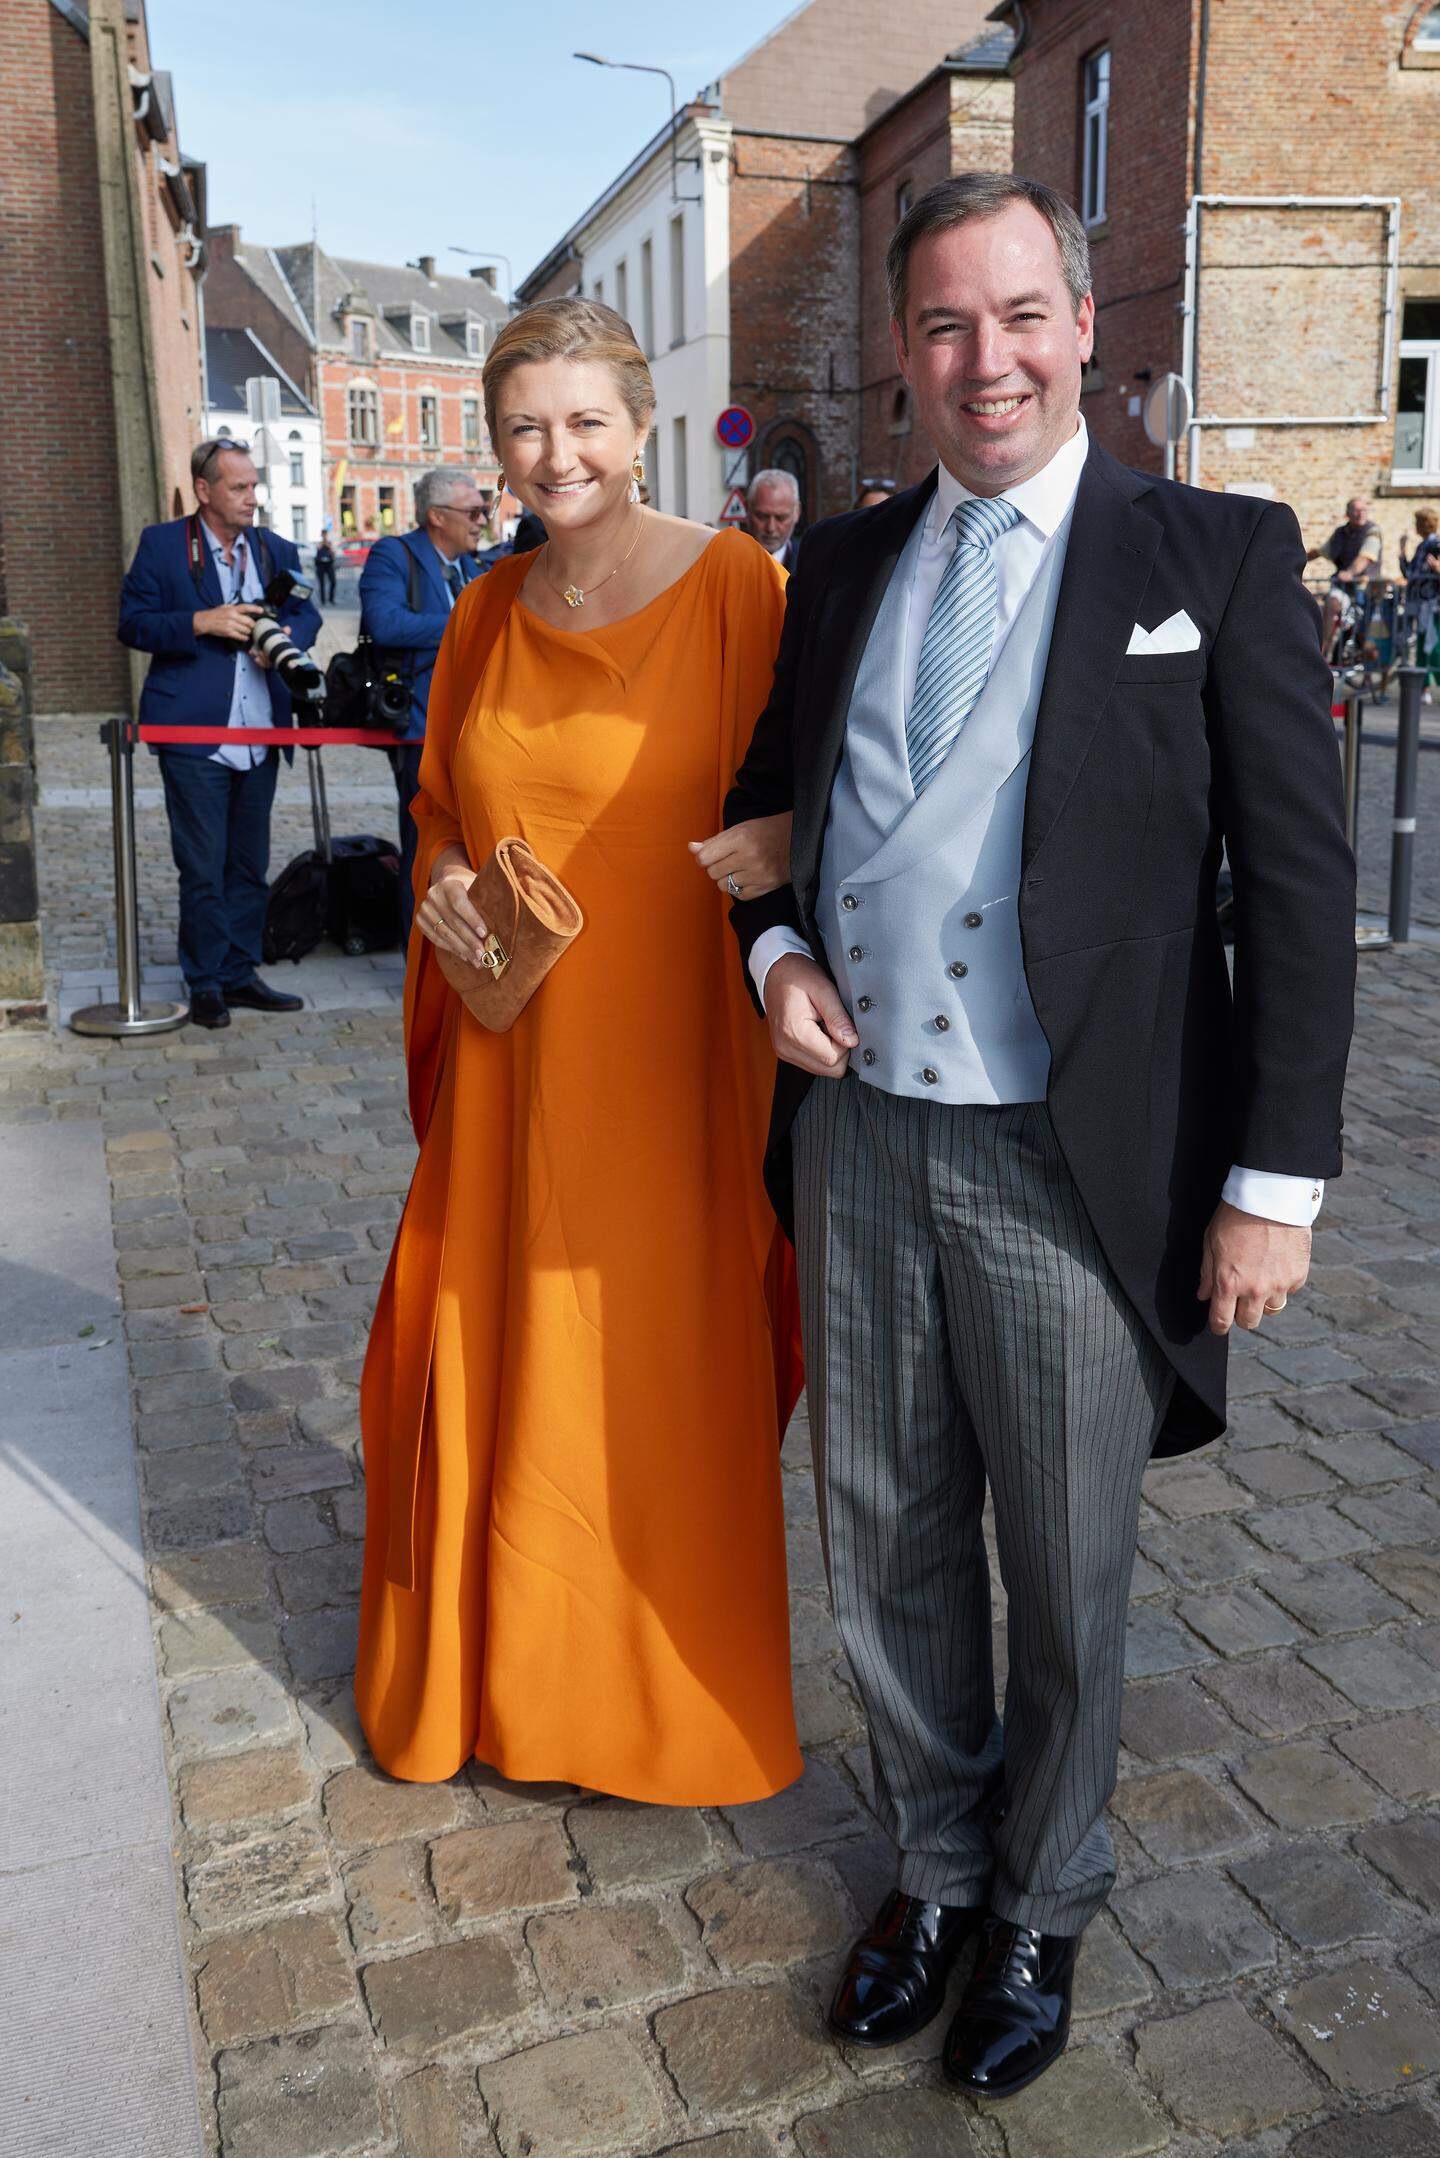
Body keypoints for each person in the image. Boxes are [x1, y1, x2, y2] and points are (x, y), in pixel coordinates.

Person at [720, 174, 1355, 2098]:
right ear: (900, 355)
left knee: (1067, 1566)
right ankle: (929, 1864)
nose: (981, 358)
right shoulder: (838, 565)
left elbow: (1306, 893)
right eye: (941, 324)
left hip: (1075, 1159)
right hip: (866, 1136)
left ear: (1083, 324)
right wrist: (768, 957)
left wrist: (1271, 1184)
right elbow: (763, 808)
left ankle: (1046, 1895)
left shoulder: (1220, 557)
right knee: (885, 1535)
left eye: (1017, 315)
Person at [354, 298, 805, 1806]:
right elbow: (437, 805)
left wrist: (784, 831)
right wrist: (433, 878)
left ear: (642, 426)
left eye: (587, 423)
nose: (559, 455)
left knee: (658, 1361)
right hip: (511, 1054)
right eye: (527, 430)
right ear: (496, 450)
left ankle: (664, 1702)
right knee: (500, 1341)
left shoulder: (738, 584)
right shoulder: (481, 611)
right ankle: (508, 1680)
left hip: (675, 1058)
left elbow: (826, 775)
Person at [118, 439, 321, 1029]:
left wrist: (283, 640)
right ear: (204, 491)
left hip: (262, 732)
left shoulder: (274, 546)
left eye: (255, 486)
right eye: (239, 488)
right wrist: (199, 622)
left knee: (247, 863)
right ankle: (203, 979)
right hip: (192, 731)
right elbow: (132, 623)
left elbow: (306, 611)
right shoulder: (162, 545)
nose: (252, 498)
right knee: (202, 865)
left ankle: (239, 971)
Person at [358, 468, 485, 942]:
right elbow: (386, 622)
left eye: (482, 511)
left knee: (469, 844)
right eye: (472, 512)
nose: (481, 522)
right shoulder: (395, 554)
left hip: (474, 728)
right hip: (420, 726)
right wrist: (468, 620)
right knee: (426, 845)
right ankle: (420, 952)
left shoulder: (470, 567)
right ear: (437, 516)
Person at [1306, 495, 1382, 651]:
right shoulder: (1340, 533)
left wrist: (1350, 573)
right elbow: (1321, 551)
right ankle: (1323, 651)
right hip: (1344, 588)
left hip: (1368, 591)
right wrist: (1296, 559)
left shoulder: (1372, 531)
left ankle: (1368, 672)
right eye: (1357, 510)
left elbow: (1365, 557)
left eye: (1364, 510)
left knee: (1368, 636)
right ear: (1348, 513)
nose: (1361, 513)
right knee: (1331, 604)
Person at [1399, 505, 1440, 688]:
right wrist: (1402, 551)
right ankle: (1423, 686)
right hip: (1422, 602)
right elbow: (1410, 573)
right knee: (1424, 643)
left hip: (1434, 603)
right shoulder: (1423, 546)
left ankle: (1433, 683)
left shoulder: (1435, 545)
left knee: (1434, 645)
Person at [747, 468, 803, 570]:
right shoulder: (724, 562)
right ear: (748, 510)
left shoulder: (814, 566)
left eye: (781, 518)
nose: (771, 528)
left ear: (797, 512)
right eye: (762, 517)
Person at [314, 532, 337, 605]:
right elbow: (317, 549)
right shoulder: (319, 543)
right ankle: (323, 600)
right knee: (322, 583)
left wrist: (327, 544)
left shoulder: (329, 543)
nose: (324, 536)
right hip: (320, 565)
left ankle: (331, 599)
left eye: (325, 535)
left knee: (333, 581)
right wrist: (322, 543)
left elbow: (333, 552)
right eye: (323, 535)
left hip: (329, 564)